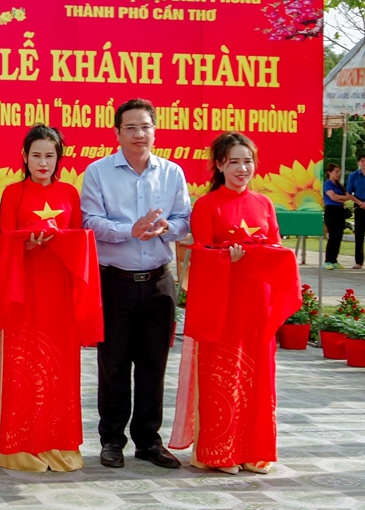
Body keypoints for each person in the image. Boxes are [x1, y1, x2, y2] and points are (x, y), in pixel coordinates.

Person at [173, 132, 301, 474]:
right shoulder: (207, 204)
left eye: (247, 161)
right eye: (233, 162)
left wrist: (263, 253)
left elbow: (276, 250)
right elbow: (199, 255)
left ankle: (254, 451)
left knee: (259, 375)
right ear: (219, 165)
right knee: (222, 375)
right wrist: (226, 259)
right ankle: (219, 452)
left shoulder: (264, 204)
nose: (242, 168)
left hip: (257, 302)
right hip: (223, 305)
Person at [81, 97, 191, 471]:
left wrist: (166, 228)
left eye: (145, 126)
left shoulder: (171, 173)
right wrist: (131, 229)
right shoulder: (98, 172)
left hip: (159, 282)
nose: (138, 134)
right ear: (117, 133)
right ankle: (112, 439)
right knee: (112, 365)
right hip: (114, 281)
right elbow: (90, 222)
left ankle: (148, 440)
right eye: (130, 127)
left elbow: (183, 219)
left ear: (154, 130)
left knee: (153, 364)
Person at [0, 125, 101, 472]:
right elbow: (4, 241)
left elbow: (80, 241)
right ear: (24, 157)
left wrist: (59, 240)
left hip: (59, 293)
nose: (43, 162)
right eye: (36, 155)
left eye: (49, 156)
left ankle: (58, 445)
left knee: (59, 369)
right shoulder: (14, 194)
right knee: (23, 368)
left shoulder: (69, 194)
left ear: (58, 159)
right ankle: (21, 447)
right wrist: (26, 242)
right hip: (25, 292)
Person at [322, 163, 350, 270]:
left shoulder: (339, 185)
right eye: (336, 172)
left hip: (339, 211)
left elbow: (348, 196)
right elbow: (333, 197)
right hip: (331, 210)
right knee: (333, 236)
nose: (338, 174)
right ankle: (328, 260)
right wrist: (342, 198)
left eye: (339, 172)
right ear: (329, 172)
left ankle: (334, 260)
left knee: (338, 236)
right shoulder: (327, 184)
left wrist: (341, 198)